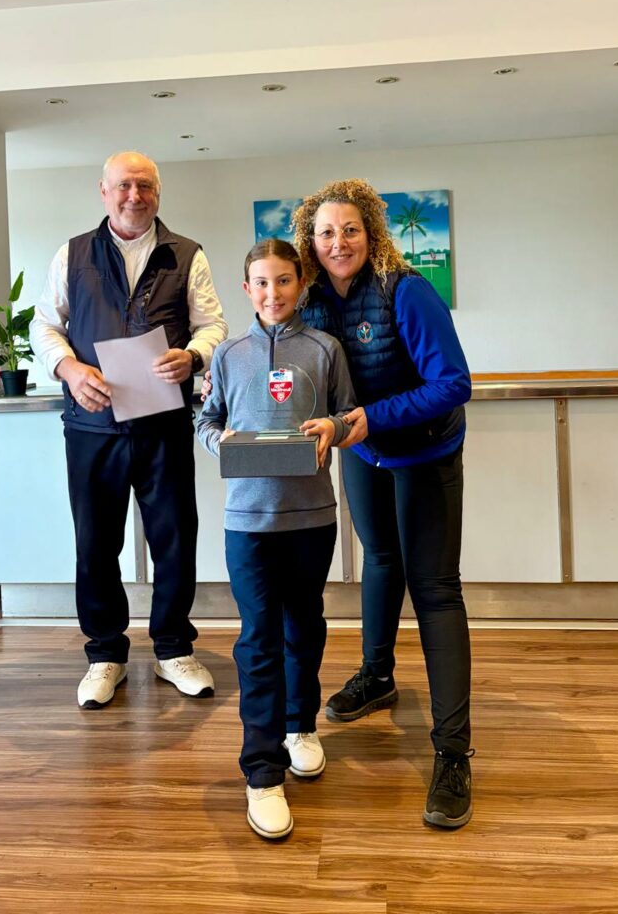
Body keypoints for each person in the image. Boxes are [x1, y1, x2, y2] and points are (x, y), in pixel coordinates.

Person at [290, 178, 475, 829]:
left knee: (435, 589)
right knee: (379, 560)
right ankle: (377, 676)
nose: (338, 242)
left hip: (426, 452)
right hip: (364, 454)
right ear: (310, 241)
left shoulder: (406, 290)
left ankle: (453, 753)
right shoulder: (310, 299)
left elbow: (454, 383)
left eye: (350, 229)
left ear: (371, 233)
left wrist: (372, 417)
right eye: (325, 232)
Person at [30, 151, 228, 709]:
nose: (134, 195)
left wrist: (193, 355)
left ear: (158, 193)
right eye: (123, 185)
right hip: (91, 425)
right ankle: (104, 655)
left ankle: (173, 649)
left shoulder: (186, 253)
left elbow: (213, 323)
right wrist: (70, 369)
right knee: (96, 543)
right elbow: (45, 324)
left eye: (144, 186)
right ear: (103, 191)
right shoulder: (72, 254)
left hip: (163, 424)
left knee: (175, 538)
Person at [197, 239, 357, 839]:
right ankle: (262, 773)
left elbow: (349, 415)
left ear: (301, 285)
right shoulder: (229, 354)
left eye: (284, 281)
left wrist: (333, 428)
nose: (273, 293)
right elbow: (206, 419)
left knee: (304, 626)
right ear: (246, 289)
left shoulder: (325, 349)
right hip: (248, 523)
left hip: (312, 518)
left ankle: (300, 725)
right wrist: (218, 441)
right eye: (261, 283)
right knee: (258, 640)